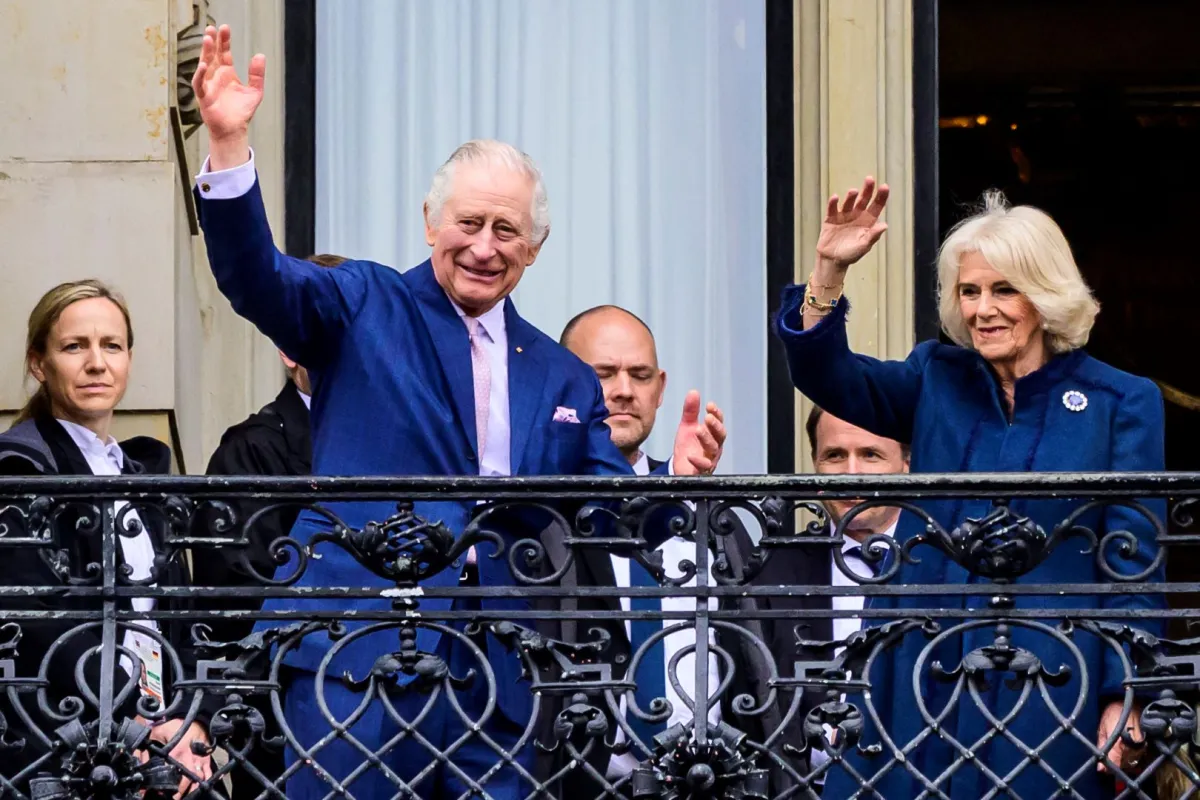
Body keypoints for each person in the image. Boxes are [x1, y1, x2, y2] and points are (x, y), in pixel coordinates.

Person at [189, 25, 726, 799]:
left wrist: (682, 483)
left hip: (498, 676)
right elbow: (258, 279)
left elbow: (608, 512)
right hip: (356, 650)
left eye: (507, 230)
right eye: (468, 224)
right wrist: (229, 146)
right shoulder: (363, 302)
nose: (484, 246)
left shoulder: (562, 374)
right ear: (430, 223)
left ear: (533, 248)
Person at [775, 178, 1165, 798]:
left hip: (1053, 673)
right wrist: (829, 272)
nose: (983, 309)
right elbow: (829, 377)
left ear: (1046, 294)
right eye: (970, 291)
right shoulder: (936, 375)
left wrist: (1128, 692)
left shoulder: (1120, 401)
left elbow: (1134, 561)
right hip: (918, 664)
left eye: (1004, 290)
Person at [0, 280, 214, 797]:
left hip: (161, 741)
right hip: (61, 746)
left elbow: (181, 620)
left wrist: (191, 722)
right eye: (75, 346)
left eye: (111, 345)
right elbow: (40, 622)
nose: (97, 363)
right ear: (39, 364)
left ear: (128, 359)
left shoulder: (143, 479)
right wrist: (132, 721)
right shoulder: (17, 470)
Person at [553, 305, 757, 791]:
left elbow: (755, 650)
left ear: (660, 389)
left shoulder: (711, 512)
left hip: (709, 783)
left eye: (640, 375)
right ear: (564, 384)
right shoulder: (544, 515)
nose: (624, 389)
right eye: (604, 374)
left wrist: (678, 485)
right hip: (578, 783)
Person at [191, 253, 345, 799]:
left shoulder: (413, 446)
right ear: (288, 348)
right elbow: (234, 603)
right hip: (286, 718)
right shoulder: (252, 449)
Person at [748, 406, 909, 793]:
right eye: (834, 455)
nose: (851, 472)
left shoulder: (945, 564)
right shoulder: (772, 569)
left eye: (870, 455)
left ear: (907, 464)